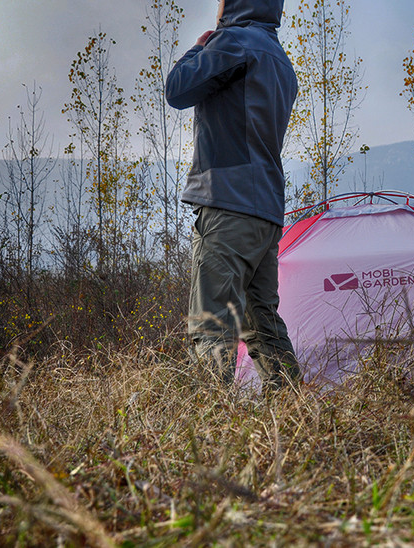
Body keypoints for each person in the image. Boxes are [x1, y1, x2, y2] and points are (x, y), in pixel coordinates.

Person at [165, 0, 301, 392]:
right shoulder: (281, 61)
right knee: (263, 326)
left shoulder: (232, 42)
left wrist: (200, 45)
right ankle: (297, 415)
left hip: (228, 205)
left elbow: (178, 89)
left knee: (212, 324)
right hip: (267, 213)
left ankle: (211, 432)